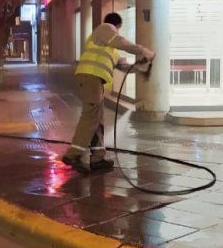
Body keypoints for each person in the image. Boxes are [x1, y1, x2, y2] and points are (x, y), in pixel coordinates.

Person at [61, 12, 155, 174]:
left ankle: (98, 158)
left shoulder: (109, 47)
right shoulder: (105, 28)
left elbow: (123, 66)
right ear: (117, 26)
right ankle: (73, 154)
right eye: (118, 29)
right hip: (90, 76)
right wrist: (143, 50)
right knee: (91, 115)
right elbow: (121, 42)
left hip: (94, 80)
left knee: (97, 118)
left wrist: (141, 67)